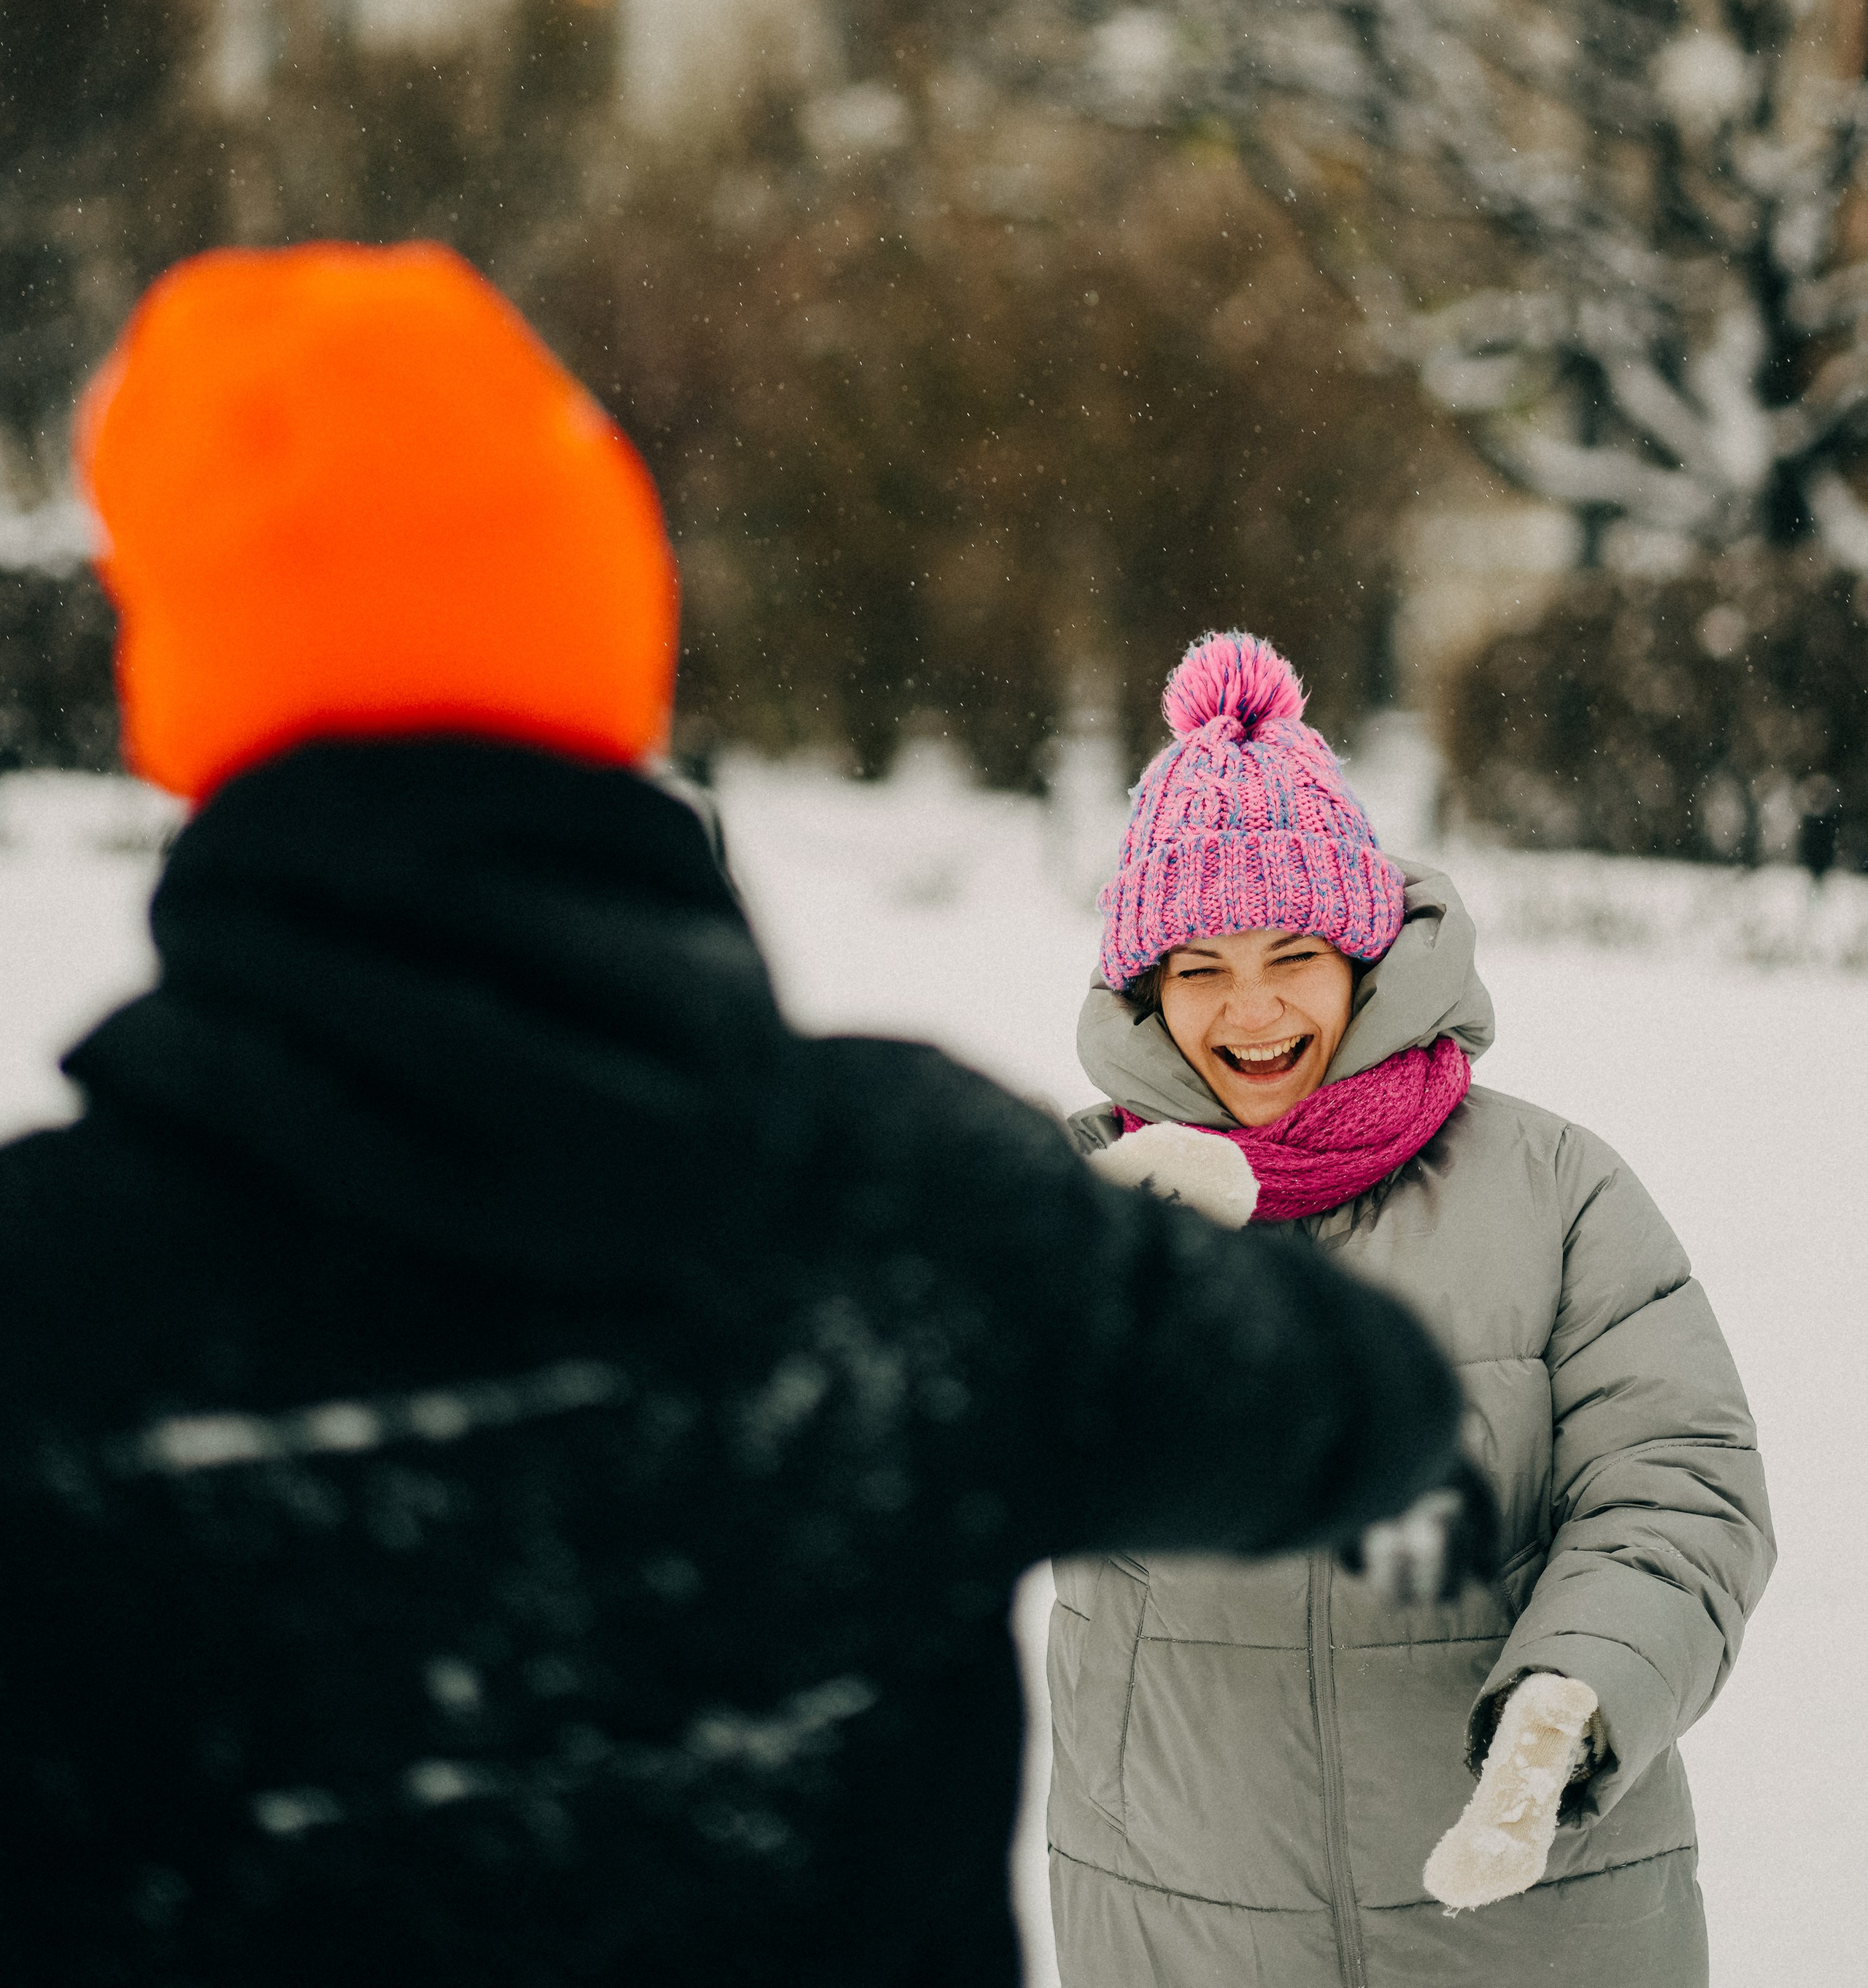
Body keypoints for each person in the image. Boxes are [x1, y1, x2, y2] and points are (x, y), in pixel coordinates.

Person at [0, 245, 1477, 1988]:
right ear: (611, 648)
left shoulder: (50, 1322)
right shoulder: (925, 1223)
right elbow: (1361, 1408)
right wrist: (1099, 1265)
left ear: (178, 699)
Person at [1049, 629, 1775, 1988]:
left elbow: (1678, 1485)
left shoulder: (1555, 1187)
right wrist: (1071, 1289)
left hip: (1528, 1919)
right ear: (1146, 993)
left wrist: (1575, 1696)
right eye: (1198, 968)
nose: (1251, 1011)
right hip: (1186, 1922)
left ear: (1366, 956)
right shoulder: (1085, 1208)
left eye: (1293, 954)